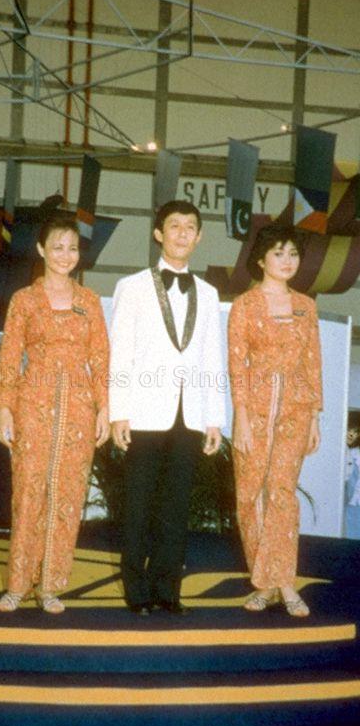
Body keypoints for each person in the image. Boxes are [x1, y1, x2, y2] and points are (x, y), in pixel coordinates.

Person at [109, 200, 226, 616]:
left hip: (189, 414)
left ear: (199, 237)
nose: (181, 233)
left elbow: (213, 358)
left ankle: (167, 589)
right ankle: (136, 590)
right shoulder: (133, 286)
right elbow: (119, 354)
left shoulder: (210, 294)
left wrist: (215, 418)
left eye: (189, 227)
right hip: (142, 412)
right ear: (158, 234)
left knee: (176, 507)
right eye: (173, 226)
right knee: (138, 505)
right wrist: (118, 411)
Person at [0, 215, 110, 614]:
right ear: (42, 249)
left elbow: (101, 359)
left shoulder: (90, 302)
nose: (66, 255)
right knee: (28, 493)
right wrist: (4, 410)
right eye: (58, 247)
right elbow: (9, 357)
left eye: (73, 248)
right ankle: (17, 583)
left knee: (68, 496)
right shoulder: (23, 300)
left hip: (79, 407)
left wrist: (104, 409)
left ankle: (51, 586)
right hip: (33, 403)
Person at [228, 224, 322, 618]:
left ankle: (284, 583)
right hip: (256, 405)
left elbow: (313, 361)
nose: (287, 261)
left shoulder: (306, 305)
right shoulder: (245, 305)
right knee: (250, 493)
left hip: (296, 409)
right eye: (279, 253)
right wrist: (242, 419)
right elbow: (236, 365)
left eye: (293, 254)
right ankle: (262, 582)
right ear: (262, 259)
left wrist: (315, 415)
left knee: (282, 491)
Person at [345, 413, 360, 539]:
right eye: (349, 429)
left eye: (356, 432)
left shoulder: (356, 453)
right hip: (349, 505)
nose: (351, 434)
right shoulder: (344, 452)